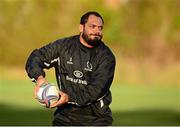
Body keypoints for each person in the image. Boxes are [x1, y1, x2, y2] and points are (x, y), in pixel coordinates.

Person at [25, 11, 116, 126]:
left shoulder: (106, 57)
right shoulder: (64, 47)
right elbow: (36, 57)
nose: (97, 31)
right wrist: (39, 79)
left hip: (95, 119)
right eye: (92, 26)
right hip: (64, 118)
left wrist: (68, 97)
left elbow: (96, 90)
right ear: (81, 27)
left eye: (100, 28)